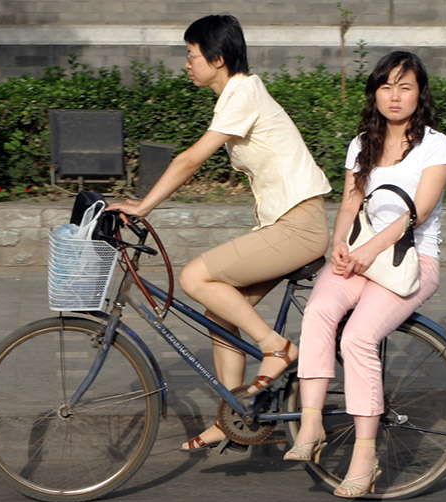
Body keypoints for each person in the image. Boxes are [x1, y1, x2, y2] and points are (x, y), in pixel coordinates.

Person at [109, 15, 331, 452]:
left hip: (298, 226)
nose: (187, 65)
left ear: (218, 59)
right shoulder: (238, 94)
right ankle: (233, 418)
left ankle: (278, 348)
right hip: (286, 225)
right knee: (220, 316)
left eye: (192, 56)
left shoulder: (243, 92)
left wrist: (142, 205)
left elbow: (191, 160)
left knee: (194, 277)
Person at [287, 51, 446, 498]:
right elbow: (348, 203)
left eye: (405, 87)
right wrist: (340, 244)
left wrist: (366, 252)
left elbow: (415, 215)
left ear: (420, 93)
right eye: (386, 86)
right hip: (360, 257)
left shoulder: (435, 146)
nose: (395, 96)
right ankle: (311, 426)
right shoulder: (363, 142)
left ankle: (365, 455)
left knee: (358, 337)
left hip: (411, 262)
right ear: (375, 93)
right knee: (319, 309)